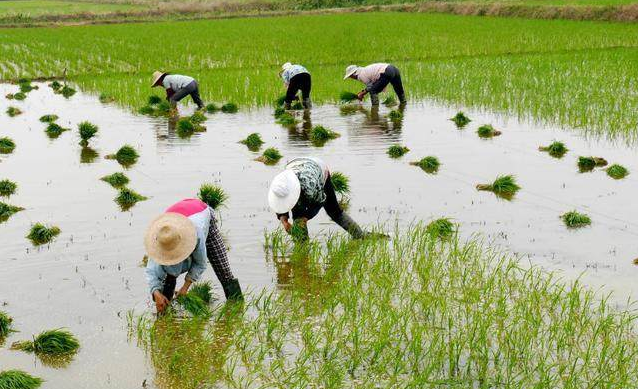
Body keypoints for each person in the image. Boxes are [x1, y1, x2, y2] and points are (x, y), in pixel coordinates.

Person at [144, 198, 242, 314]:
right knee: (167, 277)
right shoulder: (162, 237)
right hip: (173, 220)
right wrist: (156, 293)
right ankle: (165, 315)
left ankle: (237, 309)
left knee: (223, 270)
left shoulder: (196, 233)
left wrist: (185, 287)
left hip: (201, 212)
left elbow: (200, 263)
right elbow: (152, 272)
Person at [268, 157, 365, 240]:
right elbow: (280, 204)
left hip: (318, 169)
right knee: (298, 216)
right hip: (295, 165)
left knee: (334, 211)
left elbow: (321, 201)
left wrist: (306, 217)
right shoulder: (279, 185)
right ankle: (302, 245)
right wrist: (284, 222)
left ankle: (360, 235)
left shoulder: (309, 185)